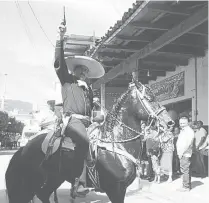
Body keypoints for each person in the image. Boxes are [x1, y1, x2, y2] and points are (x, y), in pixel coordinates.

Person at [54, 22, 105, 195]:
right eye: (81, 70)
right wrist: (60, 39)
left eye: (86, 72)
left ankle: (99, 177)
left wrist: (97, 110)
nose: (84, 73)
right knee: (84, 141)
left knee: (104, 143)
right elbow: (59, 62)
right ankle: (79, 182)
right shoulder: (67, 80)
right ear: (74, 71)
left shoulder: (88, 89)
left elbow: (91, 110)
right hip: (73, 120)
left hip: (87, 121)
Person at [176, 116, 195, 192]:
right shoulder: (183, 130)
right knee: (185, 170)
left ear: (187, 123)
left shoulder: (189, 131)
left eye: (183, 123)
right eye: (180, 123)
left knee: (185, 170)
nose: (182, 124)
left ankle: (186, 187)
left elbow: (187, 144)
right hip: (183, 153)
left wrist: (181, 153)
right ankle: (186, 185)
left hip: (185, 154)